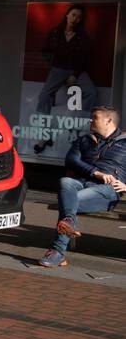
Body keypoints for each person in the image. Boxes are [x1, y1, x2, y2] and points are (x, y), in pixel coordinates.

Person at [41, 106, 126, 268]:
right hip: (82, 183)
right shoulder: (85, 140)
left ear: (109, 120)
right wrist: (96, 173)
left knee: (70, 202)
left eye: (95, 117)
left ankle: (57, 251)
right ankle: (68, 226)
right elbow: (71, 160)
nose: (90, 120)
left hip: (107, 190)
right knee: (66, 182)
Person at [37, 5, 97, 116]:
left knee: (91, 93)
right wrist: (53, 66)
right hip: (58, 69)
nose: (75, 19)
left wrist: (74, 75)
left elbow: (85, 58)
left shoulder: (82, 36)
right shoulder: (55, 32)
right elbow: (45, 51)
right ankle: (41, 124)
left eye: (79, 17)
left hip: (76, 71)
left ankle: (81, 122)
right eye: (73, 15)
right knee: (44, 95)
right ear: (67, 15)